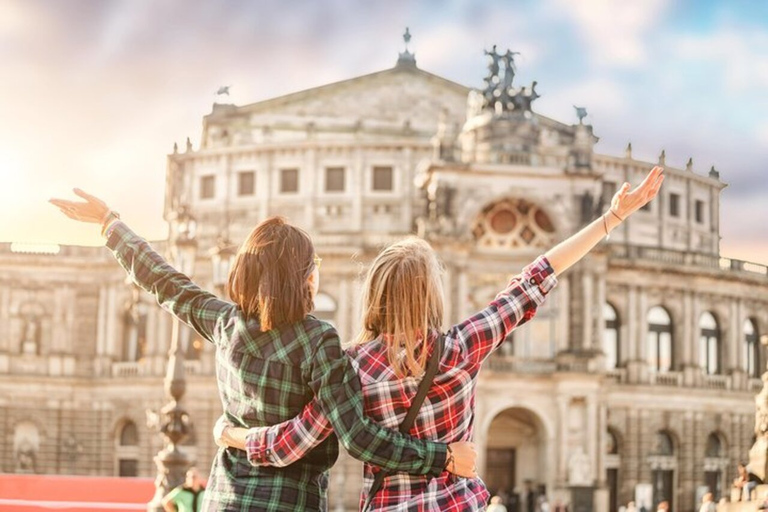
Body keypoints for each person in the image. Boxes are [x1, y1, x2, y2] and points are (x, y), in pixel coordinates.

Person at [214, 166, 665, 510]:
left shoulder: (348, 365)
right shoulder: (464, 346)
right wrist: (610, 218)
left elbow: (290, 442)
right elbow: (536, 276)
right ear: (432, 293)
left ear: (373, 293)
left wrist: (231, 435)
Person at [49, 191, 477, 511]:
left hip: (224, 497)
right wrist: (443, 456)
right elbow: (361, 438)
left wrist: (110, 224)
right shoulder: (319, 342)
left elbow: (164, 282)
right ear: (302, 279)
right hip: (292, 501)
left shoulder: (223, 323)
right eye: (313, 270)